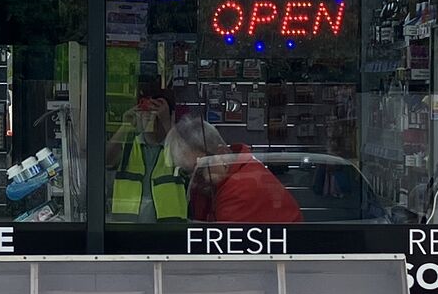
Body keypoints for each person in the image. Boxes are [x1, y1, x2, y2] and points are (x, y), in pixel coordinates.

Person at [164, 115, 301, 225]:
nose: (194, 182)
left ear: (222, 153)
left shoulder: (241, 188)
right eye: (187, 174)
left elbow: (220, 245)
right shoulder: (225, 180)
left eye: (200, 170)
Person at [106, 74, 188, 220]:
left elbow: (186, 166)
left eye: (155, 113)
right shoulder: (129, 145)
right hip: (127, 229)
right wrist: (125, 126)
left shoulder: (174, 147)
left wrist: (166, 122)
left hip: (168, 229)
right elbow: (106, 160)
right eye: (145, 112)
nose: (150, 118)